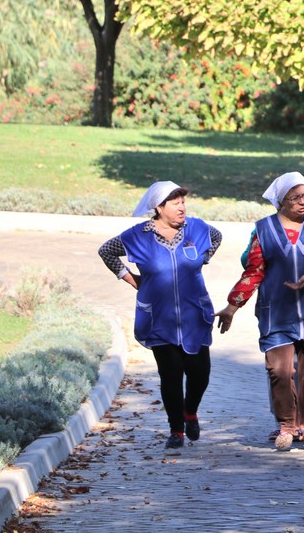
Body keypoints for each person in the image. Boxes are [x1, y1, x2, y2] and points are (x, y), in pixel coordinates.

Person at [216, 172, 304, 452]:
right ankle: (287, 426)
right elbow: (254, 271)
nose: (302, 202)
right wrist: (232, 306)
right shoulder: (264, 230)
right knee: (279, 370)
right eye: (295, 198)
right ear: (281, 202)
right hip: (276, 312)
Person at [98, 181, 222, 450]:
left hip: (194, 314)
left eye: (183, 202)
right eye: (175, 203)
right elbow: (106, 251)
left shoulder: (197, 228)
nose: (182, 208)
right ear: (159, 207)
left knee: (200, 372)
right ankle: (176, 430)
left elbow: (217, 237)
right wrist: (132, 279)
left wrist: (202, 259)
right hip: (158, 317)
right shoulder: (138, 236)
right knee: (171, 375)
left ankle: (191, 412)